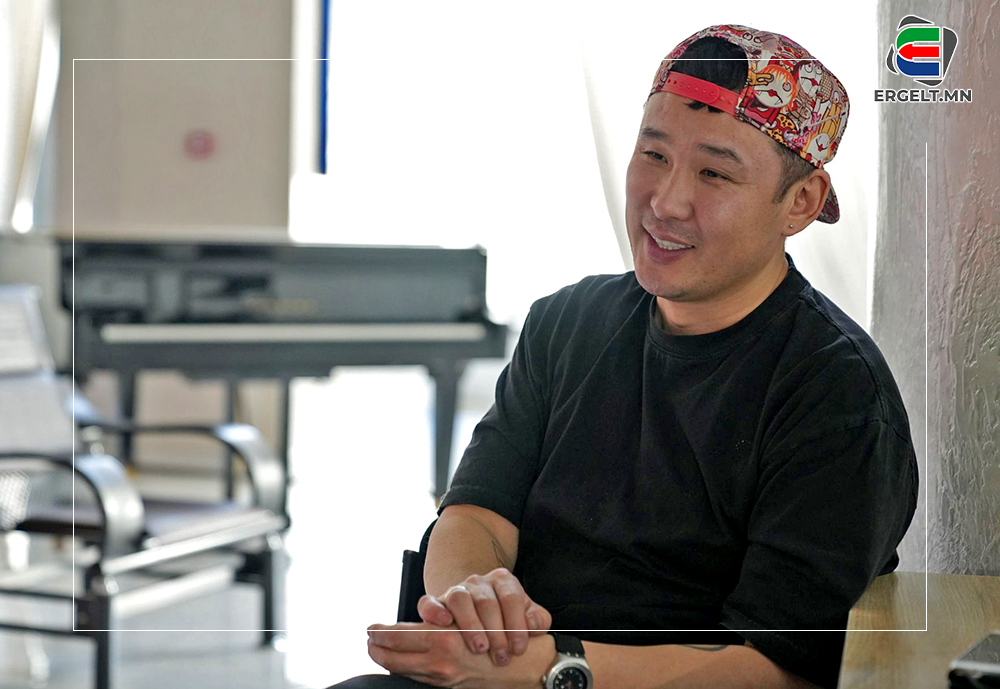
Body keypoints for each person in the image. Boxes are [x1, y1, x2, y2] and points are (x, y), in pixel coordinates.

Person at [334, 23, 918, 689]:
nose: (665, 203)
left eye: (714, 173)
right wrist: (475, 599)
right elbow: (475, 513)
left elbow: (779, 667)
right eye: (654, 154)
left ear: (800, 202)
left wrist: (550, 666)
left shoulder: (836, 394)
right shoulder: (566, 324)